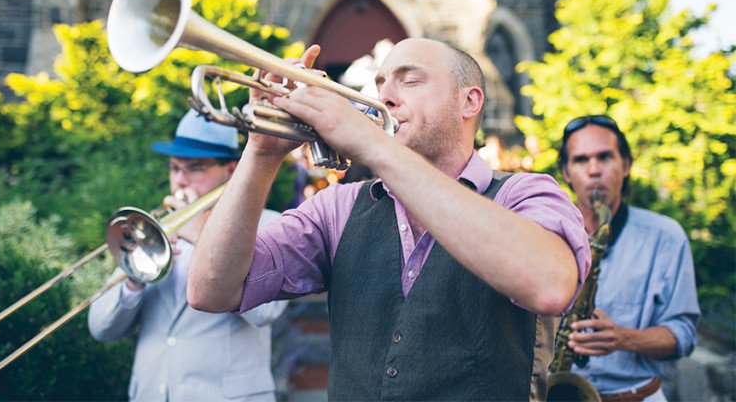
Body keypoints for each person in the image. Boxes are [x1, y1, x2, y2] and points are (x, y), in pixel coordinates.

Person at [188, 38, 592, 400]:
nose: (386, 96)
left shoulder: (525, 194)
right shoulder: (338, 207)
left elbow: (550, 286)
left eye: (409, 80)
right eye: (380, 83)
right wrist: (261, 154)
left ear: (470, 101)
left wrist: (375, 147)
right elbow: (210, 290)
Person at [88, 110, 288, 402]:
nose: (180, 181)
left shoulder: (268, 224)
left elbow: (266, 312)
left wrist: (201, 236)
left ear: (231, 170)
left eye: (194, 168)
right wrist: (136, 276)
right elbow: (100, 328)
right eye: (174, 168)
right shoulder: (154, 230)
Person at [558, 114, 700, 402]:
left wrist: (623, 338)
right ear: (566, 172)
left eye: (605, 157)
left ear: (626, 165)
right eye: (581, 160)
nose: (594, 170)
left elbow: (683, 335)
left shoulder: (666, 237)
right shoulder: (543, 234)